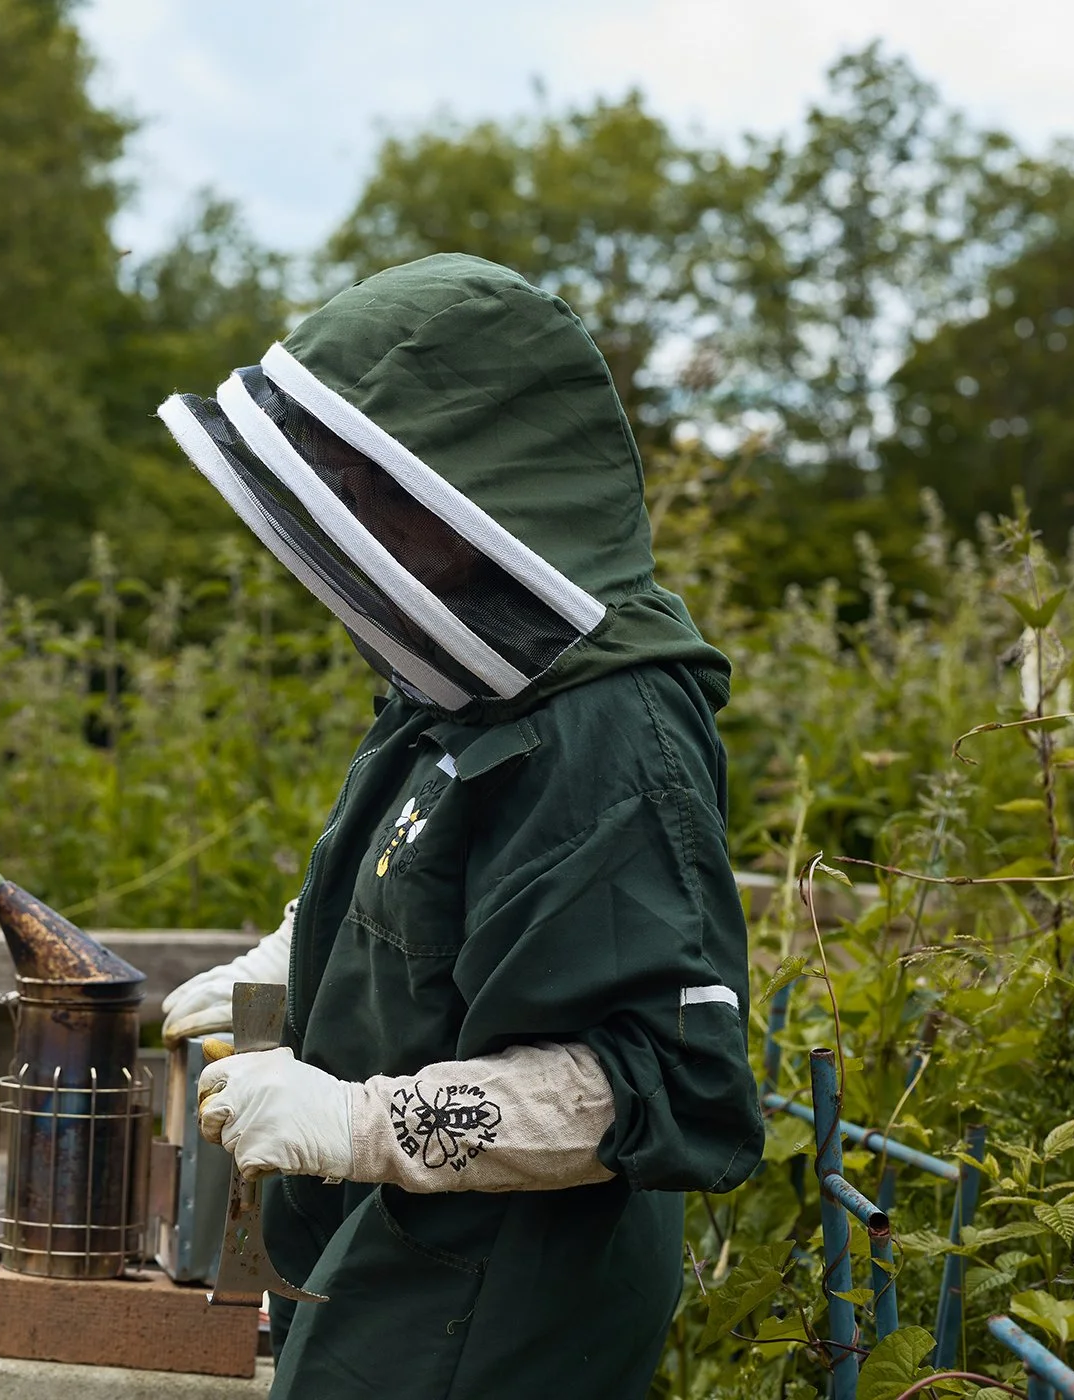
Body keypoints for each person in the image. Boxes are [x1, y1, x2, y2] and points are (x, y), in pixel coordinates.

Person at [154, 254, 762, 1399]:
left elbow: (658, 1087)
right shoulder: (465, 679)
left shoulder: (611, 731)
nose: (352, 519)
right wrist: (293, 955)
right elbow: (412, 880)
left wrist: (356, 1120)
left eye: (371, 484)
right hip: (392, 1269)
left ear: (472, 487)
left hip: (500, 1315)